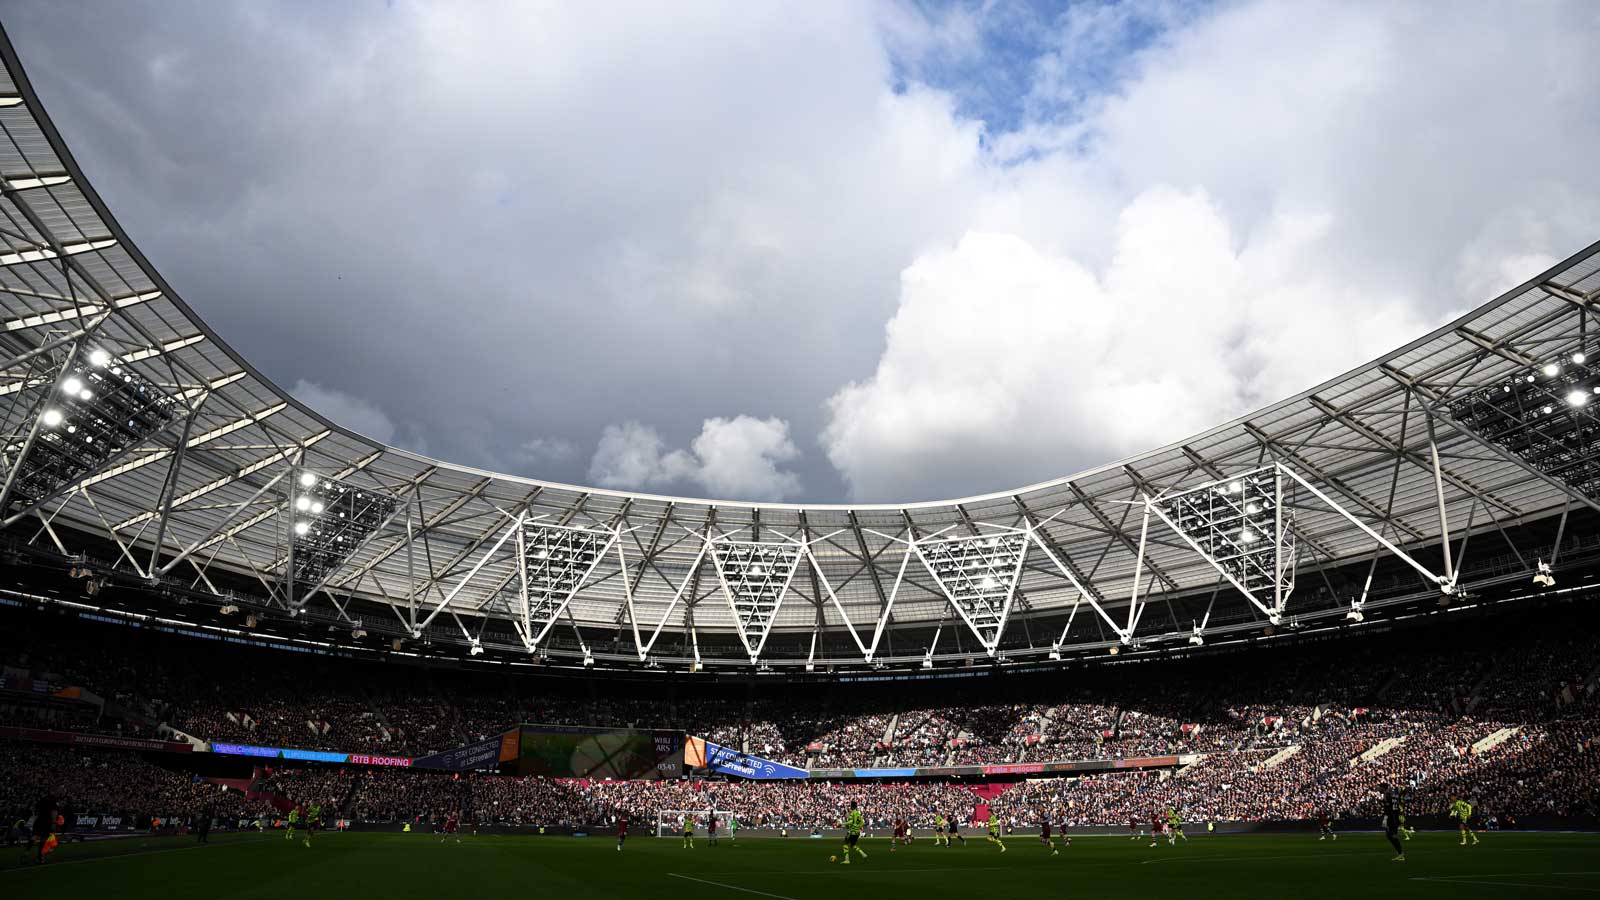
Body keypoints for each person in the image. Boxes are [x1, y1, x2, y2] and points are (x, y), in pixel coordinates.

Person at [26, 794, 56, 865]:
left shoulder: (40, 801)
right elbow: (54, 813)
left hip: (38, 820)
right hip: (47, 822)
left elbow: (35, 811)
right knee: (43, 839)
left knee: (34, 836)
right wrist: (53, 823)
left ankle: (27, 850)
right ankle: (39, 857)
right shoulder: (52, 803)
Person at [839, 800, 867, 864]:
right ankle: (863, 854)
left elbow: (851, 821)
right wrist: (857, 827)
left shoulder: (852, 813)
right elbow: (862, 823)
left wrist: (842, 824)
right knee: (852, 845)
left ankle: (847, 860)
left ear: (852, 806)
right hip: (857, 832)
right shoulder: (858, 813)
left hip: (852, 832)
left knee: (845, 844)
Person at [1382, 787, 1405, 862]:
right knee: (1390, 835)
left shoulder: (1388, 797)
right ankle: (1400, 853)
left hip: (1393, 818)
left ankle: (1400, 853)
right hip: (1395, 817)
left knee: (1391, 835)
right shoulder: (1394, 798)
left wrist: (1385, 818)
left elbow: (1388, 809)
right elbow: (1398, 807)